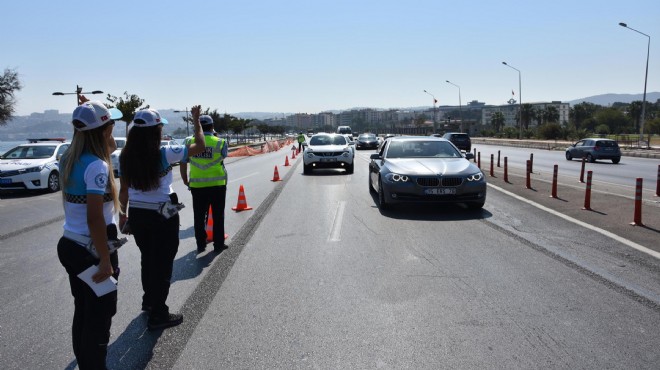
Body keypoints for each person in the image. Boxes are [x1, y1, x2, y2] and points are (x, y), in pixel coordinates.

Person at [118, 106, 205, 331]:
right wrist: (196, 122)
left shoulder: (125, 156)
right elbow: (200, 146)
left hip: (138, 214)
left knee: (148, 259)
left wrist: (122, 215)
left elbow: (124, 190)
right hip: (163, 213)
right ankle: (159, 313)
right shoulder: (166, 153)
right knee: (164, 263)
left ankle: (149, 301)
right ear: (156, 130)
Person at [57, 99, 123, 369]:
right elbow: (95, 217)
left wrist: (91, 114)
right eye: (112, 124)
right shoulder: (98, 166)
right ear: (105, 129)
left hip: (69, 244)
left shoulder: (68, 158)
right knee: (101, 312)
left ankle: (87, 364)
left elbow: (111, 146)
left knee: (84, 310)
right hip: (91, 249)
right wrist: (106, 260)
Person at [179, 114, 229, 254]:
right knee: (218, 216)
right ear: (212, 126)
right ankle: (218, 244)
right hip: (218, 185)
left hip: (197, 186)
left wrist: (185, 180)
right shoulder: (220, 142)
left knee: (199, 217)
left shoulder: (188, 141)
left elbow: (183, 163)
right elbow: (223, 157)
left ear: (197, 126)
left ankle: (201, 244)